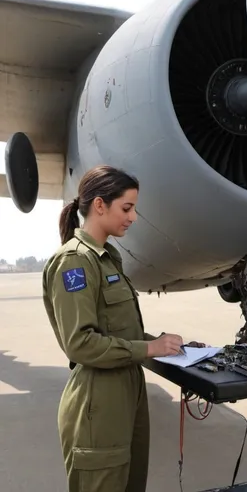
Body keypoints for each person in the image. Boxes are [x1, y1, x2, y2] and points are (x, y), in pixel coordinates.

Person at [42, 165, 200, 492]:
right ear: (100, 205)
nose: (134, 217)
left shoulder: (108, 258)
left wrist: (163, 344)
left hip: (127, 389)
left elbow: (119, 330)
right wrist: (148, 350)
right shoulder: (75, 261)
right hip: (98, 400)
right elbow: (80, 344)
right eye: (127, 208)